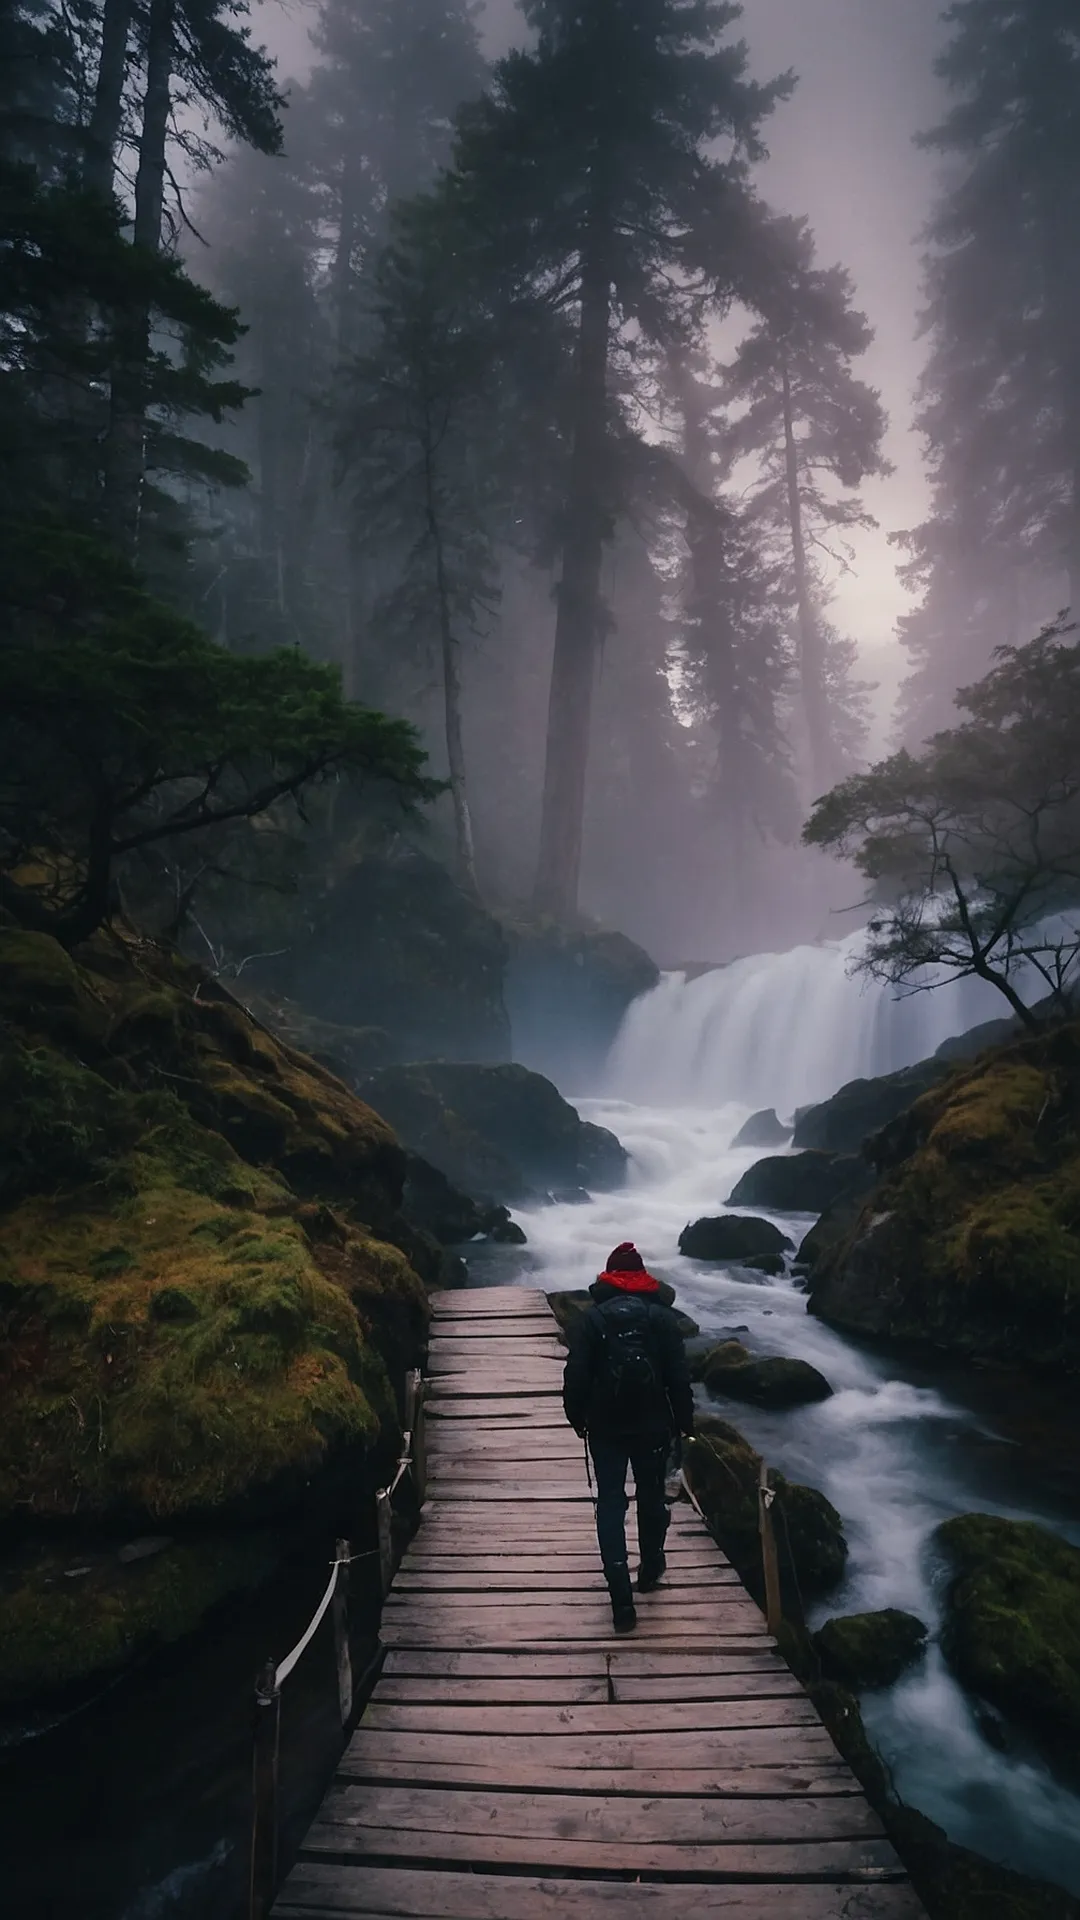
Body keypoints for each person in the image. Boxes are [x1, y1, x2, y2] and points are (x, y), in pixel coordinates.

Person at [562, 1241, 694, 1632]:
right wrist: (685, 1424)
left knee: (611, 1503)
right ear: (642, 1277)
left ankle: (621, 1599)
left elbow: (576, 1376)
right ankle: (651, 1568)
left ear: (609, 1277)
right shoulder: (662, 1318)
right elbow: (678, 1379)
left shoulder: (592, 1320)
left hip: (605, 1427)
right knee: (652, 1497)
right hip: (653, 1425)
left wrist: (576, 1418)